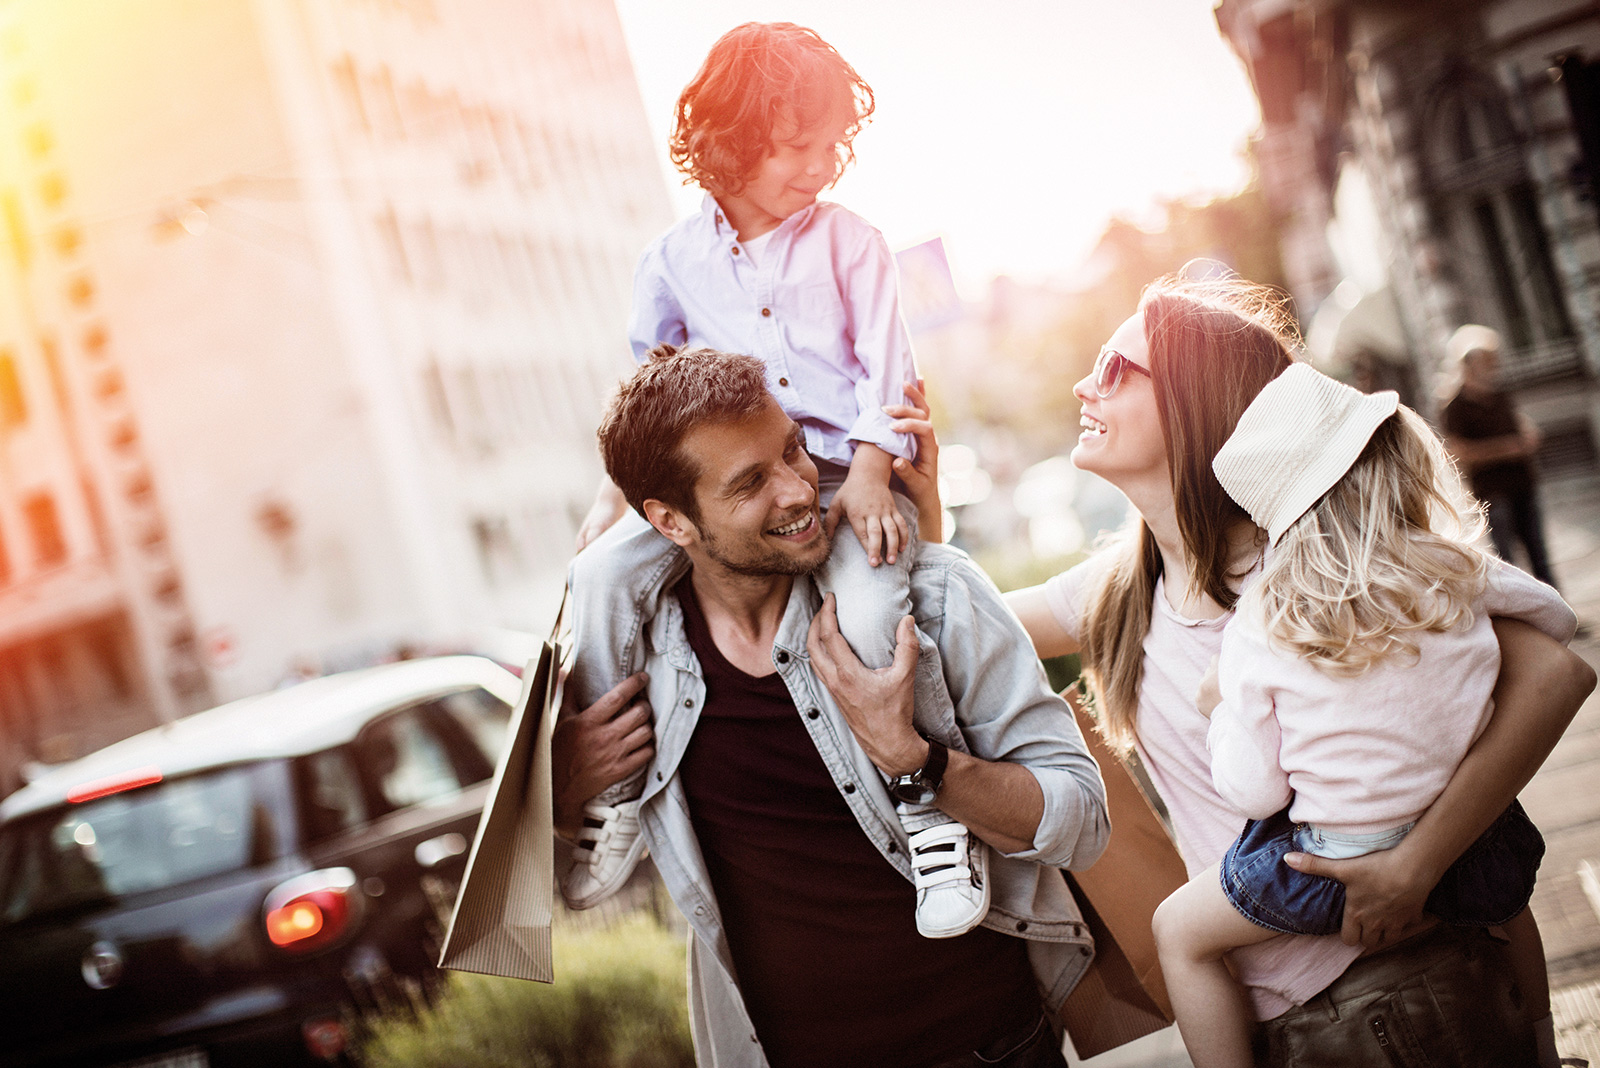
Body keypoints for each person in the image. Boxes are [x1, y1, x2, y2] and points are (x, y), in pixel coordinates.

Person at [1002, 276, 1596, 1066]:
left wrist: (1415, 865)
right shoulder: (1119, 587)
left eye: (1115, 368)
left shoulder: (1319, 568)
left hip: (1394, 996)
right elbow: (958, 620)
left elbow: (1554, 673)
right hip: (1279, 1021)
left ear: (1193, 405)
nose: (1085, 384)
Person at [552, 345, 1109, 1068]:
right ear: (670, 521)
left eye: (793, 450)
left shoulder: (935, 597)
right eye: (750, 482)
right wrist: (566, 790)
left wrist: (916, 760)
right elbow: (569, 859)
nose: (798, 490)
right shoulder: (637, 662)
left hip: (987, 1047)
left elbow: (1082, 822)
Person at [561, 22, 986, 938]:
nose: (821, 165)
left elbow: (890, 375)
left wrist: (869, 474)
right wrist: (608, 501)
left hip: (842, 473)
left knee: (874, 611)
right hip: (728, 489)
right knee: (594, 576)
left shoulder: (852, 242)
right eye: (797, 145)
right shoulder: (670, 263)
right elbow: (650, 395)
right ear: (730, 143)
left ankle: (931, 814)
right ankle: (614, 795)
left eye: (834, 144)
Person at [1147, 363, 1574, 1068]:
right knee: (1511, 902)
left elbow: (1256, 792)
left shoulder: (1262, 619)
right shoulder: (1455, 569)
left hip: (1332, 872)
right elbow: (1556, 621)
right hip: (1470, 851)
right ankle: (1545, 1044)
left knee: (1178, 934)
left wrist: (1220, 711)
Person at [1441, 324, 1558, 588]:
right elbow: (1460, 453)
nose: (1495, 366)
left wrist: (1528, 434)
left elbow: (1517, 422)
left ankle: (1554, 605)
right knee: (1508, 563)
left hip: (1523, 482)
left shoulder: (1499, 393)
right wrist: (1506, 448)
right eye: (1488, 361)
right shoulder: (1455, 405)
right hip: (1493, 491)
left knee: (1539, 554)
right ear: (1470, 365)